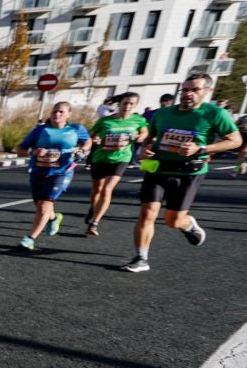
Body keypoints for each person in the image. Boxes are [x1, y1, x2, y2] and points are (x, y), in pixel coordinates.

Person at [122, 73, 242, 272]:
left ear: (207, 91)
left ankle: (187, 225)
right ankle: (141, 258)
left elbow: (235, 141)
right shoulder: (163, 113)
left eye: (194, 90)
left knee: (173, 220)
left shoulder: (215, 113)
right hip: (159, 168)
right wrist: (146, 148)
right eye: (185, 90)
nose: (188, 94)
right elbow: (150, 137)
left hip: (189, 172)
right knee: (147, 213)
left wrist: (201, 149)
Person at [15, 101, 91, 251]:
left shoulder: (76, 129)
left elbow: (87, 141)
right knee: (40, 205)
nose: (57, 114)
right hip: (39, 171)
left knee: (44, 206)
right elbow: (20, 149)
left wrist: (81, 150)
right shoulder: (40, 130)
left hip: (62, 172)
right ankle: (54, 218)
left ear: (69, 114)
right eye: (54, 111)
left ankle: (30, 239)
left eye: (61, 112)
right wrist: (33, 152)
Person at [84, 91, 147, 236]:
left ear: (136, 105)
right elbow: (90, 136)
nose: (128, 106)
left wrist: (140, 137)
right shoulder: (105, 121)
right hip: (101, 158)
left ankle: (94, 223)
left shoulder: (138, 120)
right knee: (97, 189)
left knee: (107, 190)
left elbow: (144, 132)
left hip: (121, 158)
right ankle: (93, 208)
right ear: (120, 104)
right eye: (125, 103)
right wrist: (95, 141)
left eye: (132, 104)